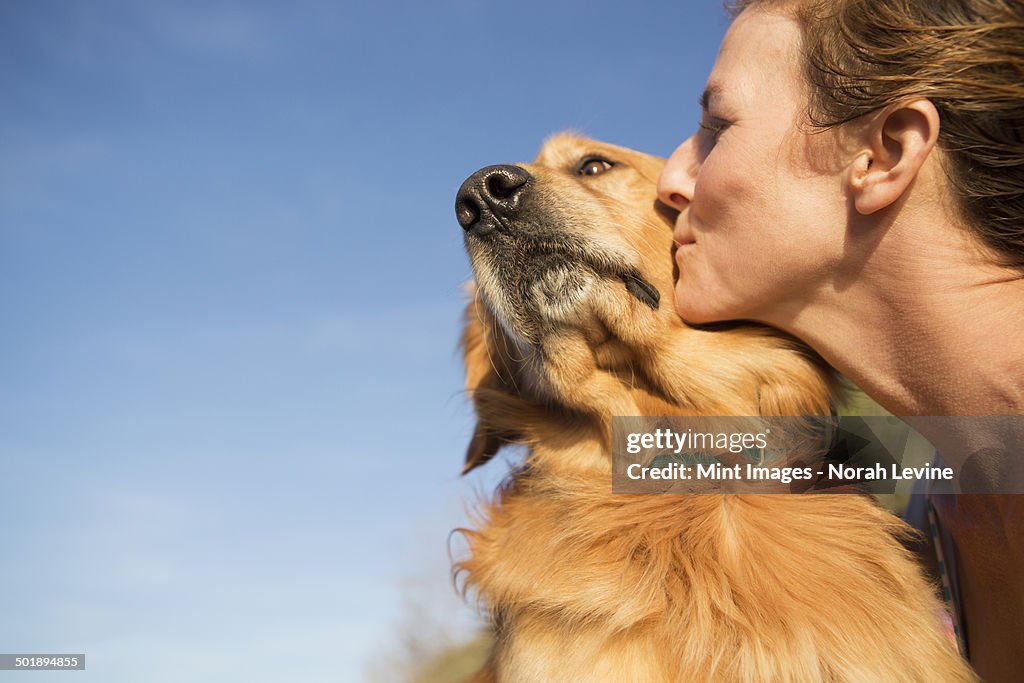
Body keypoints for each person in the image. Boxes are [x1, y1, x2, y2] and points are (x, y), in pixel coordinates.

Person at [655, 0, 1024, 680]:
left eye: (716, 128)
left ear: (886, 154)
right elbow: (656, 457)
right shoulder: (932, 474)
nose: (671, 179)